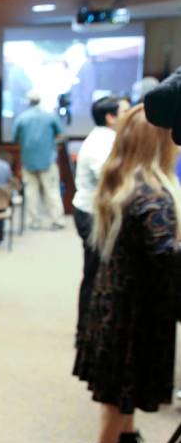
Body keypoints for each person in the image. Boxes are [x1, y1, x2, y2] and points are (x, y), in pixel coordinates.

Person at [73, 104, 181, 443]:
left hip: (116, 301)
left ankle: (126, 442)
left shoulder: (124, 181)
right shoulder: (153, 195)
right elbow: (168, 255)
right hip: (135, 310)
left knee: (124, 385)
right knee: (124, 385)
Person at [72, 96, 129, 343]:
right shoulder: (100, 143)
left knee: (97, 270)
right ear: (111, 117)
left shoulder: (108, 138)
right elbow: (111, 181)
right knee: (94, 272)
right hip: (92, 214)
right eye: (125, 111)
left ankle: (89, 327)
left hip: (95, 212)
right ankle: (85, 330)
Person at [13, 91, 65, 230]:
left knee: (31, 193)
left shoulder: (21, 118)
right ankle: (57, 220)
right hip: (48, 161)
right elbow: (60, 134)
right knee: (52, 191)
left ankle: (34, 221)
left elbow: (15, 138)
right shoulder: (50, 116)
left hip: (28, 161)